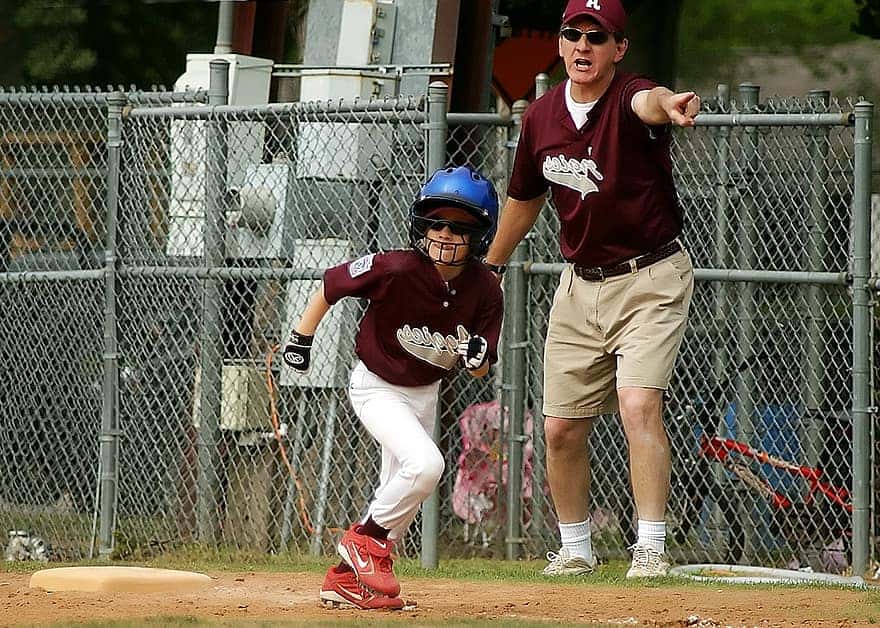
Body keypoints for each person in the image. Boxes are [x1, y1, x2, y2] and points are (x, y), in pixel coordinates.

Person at [484, 0, 698, 578]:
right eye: (573, 34)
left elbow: (648, 102)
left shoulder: (630, 97)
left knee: (638, 404)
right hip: (579, 286)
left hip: (650, 277)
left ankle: (650, 546)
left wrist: (670, 104)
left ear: (618, 49)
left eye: (597, 37)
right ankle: (576, 547)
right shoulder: (542, 117)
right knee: (559, 428)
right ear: (559, 44)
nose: (583, 47)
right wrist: (492, 268)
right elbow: (524, 200)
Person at [282, 165, 504, 609]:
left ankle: (343, 581)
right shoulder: (398, 266)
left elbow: (481, 368)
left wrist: (477, 358)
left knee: (398, 498)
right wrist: (300, 340)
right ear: (420, 226)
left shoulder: (485, 289)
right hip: (375, 385)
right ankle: (362, 541)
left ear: (479, 236)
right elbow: (331, 284)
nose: (444, 233)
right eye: (436, 222)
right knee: (425, 466)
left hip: (424, 393)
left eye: (459, 227)